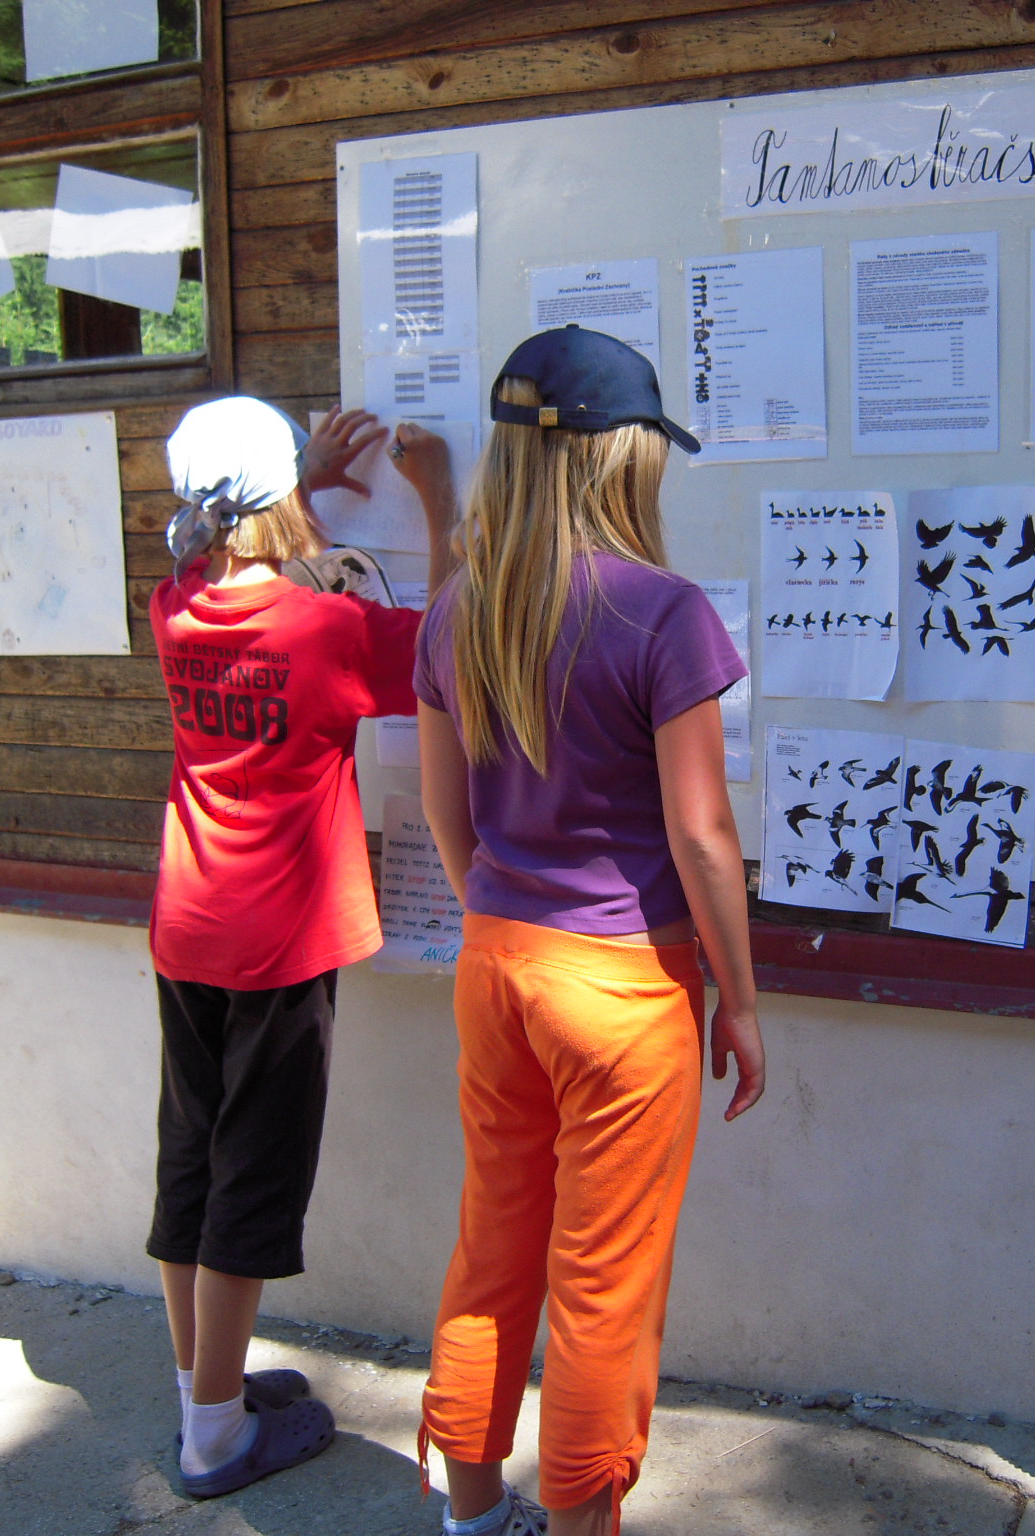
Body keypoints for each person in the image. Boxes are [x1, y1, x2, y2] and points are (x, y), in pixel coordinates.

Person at [413, 325, 768, 1536]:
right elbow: (703, 837)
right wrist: (741, 1001)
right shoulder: (662, 613)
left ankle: (471, 1513)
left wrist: (496, 915)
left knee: (492, 1245)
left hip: (497, 963)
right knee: (602, 1288)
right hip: (623, 989)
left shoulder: (456, 609)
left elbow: (445, 813)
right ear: (623, 458)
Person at [147, 395, 454, 1499]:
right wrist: (438, 503)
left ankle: (206, 1389)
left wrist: (302, 481)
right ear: (282, 494)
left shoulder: (175, 605)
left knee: (192, 1160)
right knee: (254, 1178)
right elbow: (449, 641)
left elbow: (228, 550)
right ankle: (215, 1441)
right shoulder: (327, 629)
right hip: (279, 939)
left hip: (188, 923)